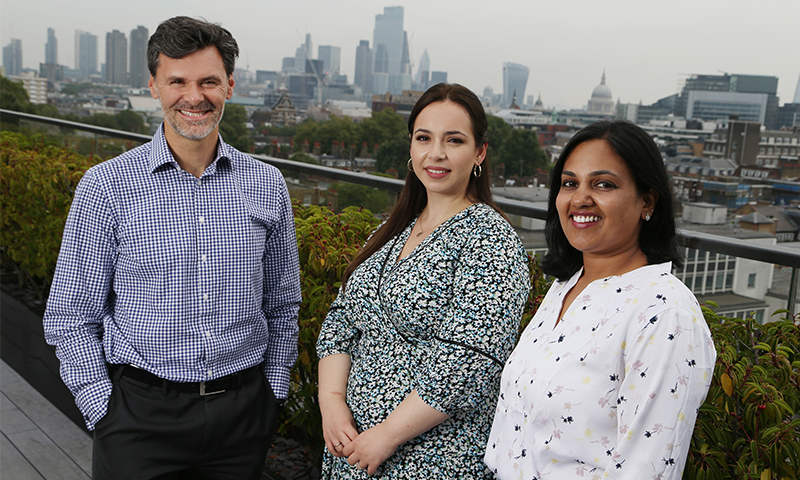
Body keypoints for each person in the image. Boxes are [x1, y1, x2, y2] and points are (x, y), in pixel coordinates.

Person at [43, 16, 300, 479]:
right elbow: (70, 315)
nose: (194, 96)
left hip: (242, 416)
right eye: (177, 81)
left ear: (230, 85)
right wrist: (102, 407)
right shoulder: (108, 186)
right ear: (155, 86)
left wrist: (272, 391)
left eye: (209, 81)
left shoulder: (268, 185)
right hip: (138, 418)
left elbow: (283, 303)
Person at [316, 83, 530, 478]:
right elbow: (340, 321)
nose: (437, 154)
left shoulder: (490, 238)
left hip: (431, 460)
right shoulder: (393, 231)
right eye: (424, 138)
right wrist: (331, 404)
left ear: (479, 152)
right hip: (351, 451)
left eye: (454, 140)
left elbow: (470, 360)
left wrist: (386, 436)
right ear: (411, 147)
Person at [485, 119, 716, 479]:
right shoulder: (567, 285)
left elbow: (647, 468)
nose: (580, 199)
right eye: (570, 183)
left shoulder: (664, 312)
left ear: (647, 201)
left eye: (603, 184)